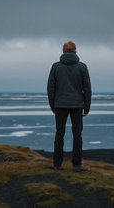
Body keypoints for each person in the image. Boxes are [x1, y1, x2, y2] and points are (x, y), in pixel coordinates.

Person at [47, 41, 92, 171]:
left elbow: (51, 88)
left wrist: (53, 106)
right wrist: (87, 107)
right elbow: (87, 88)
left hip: (60, 105)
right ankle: (77, 164)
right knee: (77, 134)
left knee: (59, 133)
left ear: (63, 51)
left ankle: (57, 164)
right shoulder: (82, 67)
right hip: (77, 105)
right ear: (75, 51)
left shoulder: (55, 67)